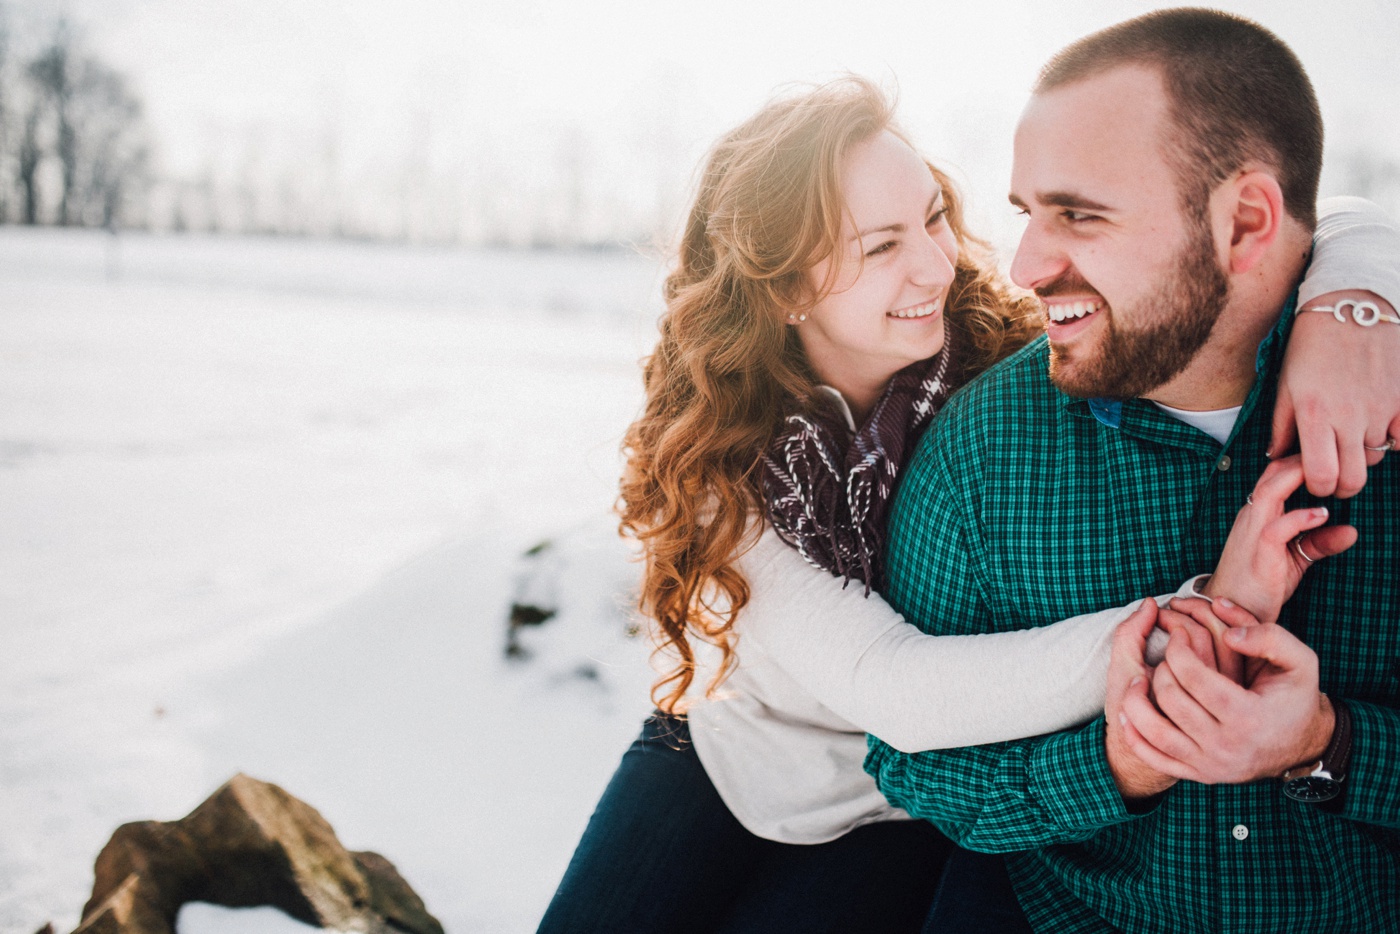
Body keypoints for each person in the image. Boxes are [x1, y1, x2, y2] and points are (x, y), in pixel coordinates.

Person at [538, 74, 1400, 933]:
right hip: (743, 752)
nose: (935, 262)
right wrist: (1203, 614)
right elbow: (899, 687)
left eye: (933, 215)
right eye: (881, 246)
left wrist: (1355, 309)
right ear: (783, 289)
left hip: (912, 798)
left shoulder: (1002, 366)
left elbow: (1331, 212)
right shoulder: (727, 462)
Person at [864, 9, 1400, 933]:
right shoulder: (981, 455)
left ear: (1244, 222)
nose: (1026, 266)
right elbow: (916, 768)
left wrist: (1328, 745)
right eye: (1028, 213)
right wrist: (1122, 762)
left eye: (1081, 214)